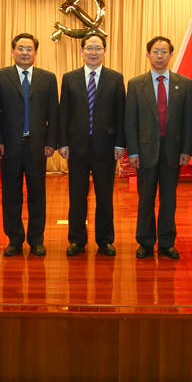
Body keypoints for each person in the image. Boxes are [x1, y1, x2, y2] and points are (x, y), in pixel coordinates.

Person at [0, 33, 58, 257]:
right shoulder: (0, 76)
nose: (25, 52)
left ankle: (36, 239)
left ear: (36, 53)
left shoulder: (48, 78)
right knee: (11, 195)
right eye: (21, 48)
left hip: (37, 146)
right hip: (9, 147)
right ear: (12, 52)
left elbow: (53, 114)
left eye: (29, 49)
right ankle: (14, 240)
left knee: (37, 195)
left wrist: (51, 142)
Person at [125, 36, 192, 259]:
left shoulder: (184, 83)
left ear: (171, 55)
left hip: (173, 151)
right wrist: (133, 151)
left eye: (164, 51)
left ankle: (166, 242)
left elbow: (188, 120)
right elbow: (130, 121)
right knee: (145, 199)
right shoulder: (136, 84)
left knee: (169, 199)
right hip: (145, 152)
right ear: (148, 55)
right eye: (155, 51)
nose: (160, 56)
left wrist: (186, 150)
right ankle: (145, 242)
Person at [58, 33, 126, 257]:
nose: (93, 52)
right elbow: (64, 113)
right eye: (89, 48)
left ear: (105, 51)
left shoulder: (115, 78)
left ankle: (105, 240)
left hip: (106, 147)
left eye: (98, 48)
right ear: (82, 51)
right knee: (77, 196)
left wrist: (120, 144)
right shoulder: (69, 78)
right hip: (76, 146)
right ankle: (77, 240)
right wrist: (63, 142)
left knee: (105, 196)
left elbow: (121, 114)